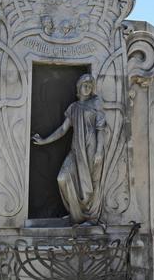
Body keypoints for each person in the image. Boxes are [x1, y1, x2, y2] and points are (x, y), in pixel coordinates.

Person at [32, 74, 106, 224]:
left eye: (90, 85)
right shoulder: (73, 108)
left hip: (91, 147)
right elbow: (63, 129)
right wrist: (45, 140)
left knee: (89, 185)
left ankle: (89, 217)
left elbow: (101, 129)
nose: (87, 87)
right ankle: (75, 212)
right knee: (62, 178)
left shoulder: (96, 102)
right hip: (76, 149)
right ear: (78, 87)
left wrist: (99, 150)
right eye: (84, 84)